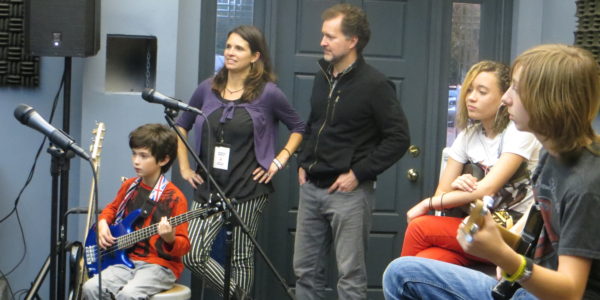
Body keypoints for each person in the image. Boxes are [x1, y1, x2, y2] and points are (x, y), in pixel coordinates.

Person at [383, 44, 600, 300]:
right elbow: (531, 231)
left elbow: (571, 292)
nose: (506, 98)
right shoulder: (550, 156)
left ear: (547, 100)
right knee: (403, 273)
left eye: (516, 89)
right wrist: (490, 234)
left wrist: (502, 256)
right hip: (524, 285)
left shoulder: (585, 184)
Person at [175, 25, 305, 298]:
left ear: (255, 56)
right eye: (228, 46)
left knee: (241, 258)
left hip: (248, 189)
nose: (230, 53)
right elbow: (181, 125)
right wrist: (185, 167)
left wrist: (279, 161)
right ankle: (239, 295)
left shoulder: (269, 94)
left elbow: (298, 128)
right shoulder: (207, 89)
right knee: (192, 253)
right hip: (208, 187)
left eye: (239, 48)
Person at [293, 4, 410, 299]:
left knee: (350, 276)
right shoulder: (322, 76)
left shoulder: (375, 84)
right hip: (311, 189)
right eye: (323, 35)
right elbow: (314, 123)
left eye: (330, 36)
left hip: (349, 194)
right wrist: (303, 160)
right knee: (305, 272)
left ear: (352, 40)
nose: (322, 42)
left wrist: (358, 173)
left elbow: (398, 138)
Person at [401, 61, 541, 266]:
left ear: (503, 97)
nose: (471, 97)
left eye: (482, 92)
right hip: (474, 225)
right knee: (427, 260)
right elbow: (442, 193)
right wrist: (459, 184)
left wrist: (427, 203)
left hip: (512, 232)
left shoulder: (519, 132)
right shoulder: (468, 136)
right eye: (469, 90)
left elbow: (488, 188)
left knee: (419, 227)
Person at [82, 123, 190, 299]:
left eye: (143, 156)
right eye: (134, 154)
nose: (136, 161)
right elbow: (112, 208)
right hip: (126, 261)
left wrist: (169, 238)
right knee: (91, 287)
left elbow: (184, 246)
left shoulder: (175, 197)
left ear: (163, 160)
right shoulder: (130, 186)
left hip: (159, 266)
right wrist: (102, 223)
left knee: (128, 294)